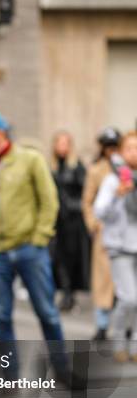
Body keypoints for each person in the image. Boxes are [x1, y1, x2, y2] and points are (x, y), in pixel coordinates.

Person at [0, 110, 69, 384]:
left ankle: (62, 368)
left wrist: (40, 237)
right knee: (0, 314)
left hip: (29, 248)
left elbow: (49, 200)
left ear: (0, 133)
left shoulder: (29, 159)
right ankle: (10, 375)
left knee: (46, 310)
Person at [93, 131, 137, 363]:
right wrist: (117, 196)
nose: (135, 153)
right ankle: (119, 340)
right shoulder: (113, 180)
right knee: (129, 298)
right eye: (130, 148)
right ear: (121, 152)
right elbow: (99, 212)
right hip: (120, 246)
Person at [82, 127, 119, 340]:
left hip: (129, 232)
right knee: (103, 279)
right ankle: (103, 324)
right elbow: (87, 201)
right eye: (109, 147)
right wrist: (94, 225)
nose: (112, 151)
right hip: (105, 231)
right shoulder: (96, 170)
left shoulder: (128, 168)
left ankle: (127, 325)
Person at [50, 131, 90, 311]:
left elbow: (85, 192)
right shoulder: (51, 166)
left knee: (73, 257)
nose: (62, 147)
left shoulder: (77, 167)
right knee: (58, 258)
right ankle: (64, 291)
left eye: (66, 143)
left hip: (73, 221)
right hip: (57, 220)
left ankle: (70, 293)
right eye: (60, 143)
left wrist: (72, 205)